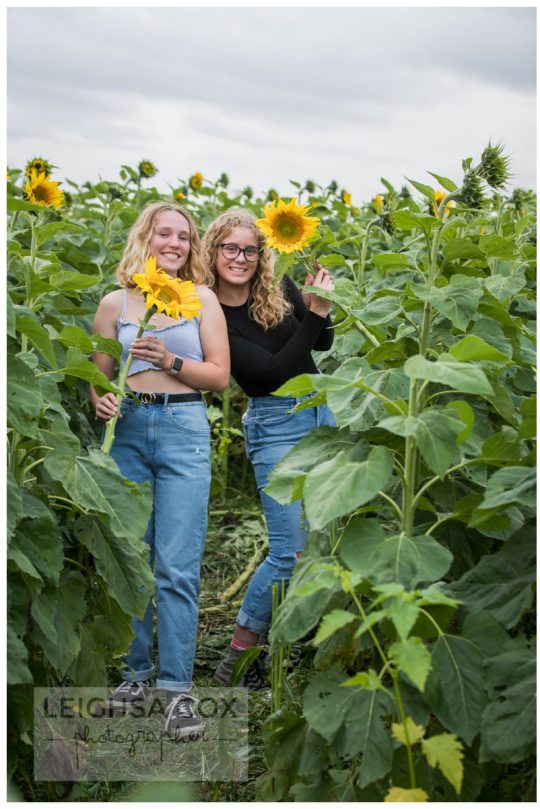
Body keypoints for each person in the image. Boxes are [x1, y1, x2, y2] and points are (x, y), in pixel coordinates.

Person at [91, 202, 230, 739]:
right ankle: (134, 675)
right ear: (144, 238)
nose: (174, 243)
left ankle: (176, 689)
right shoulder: (115, 302)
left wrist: (169, 360)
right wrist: (101, 400)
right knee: (133, 558)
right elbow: (99, 376)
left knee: (175, 564)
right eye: (163, 233)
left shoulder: (203, 299)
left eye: (183, 237)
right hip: (127, 432)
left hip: (183, 430)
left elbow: (219, 376)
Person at [200, 208, 336, 687]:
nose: (240, 258)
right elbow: (268, 376)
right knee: (289, 551)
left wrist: (318, 304)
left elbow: (322, 343)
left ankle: (308, 640)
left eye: (249, 250)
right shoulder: (211, 310)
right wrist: (314, 316)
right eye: (229, 248)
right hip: (276, 424)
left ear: (262, 255)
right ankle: (237, 658)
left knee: (324, 539)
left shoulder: (277, 290)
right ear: (213, 251)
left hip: (321, 412)